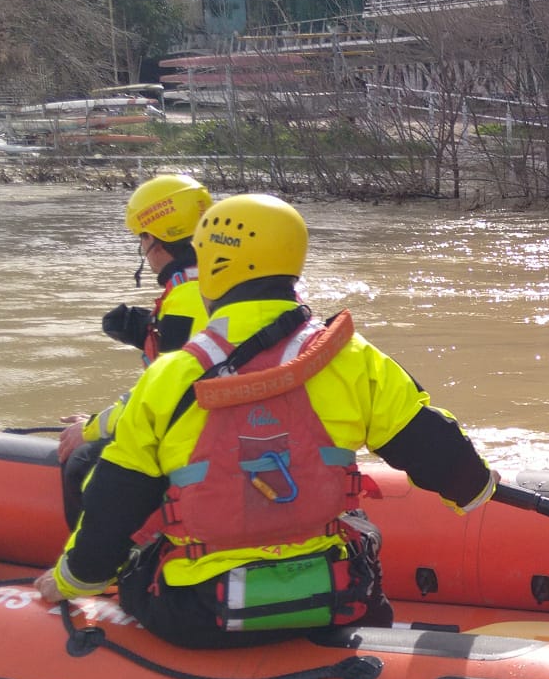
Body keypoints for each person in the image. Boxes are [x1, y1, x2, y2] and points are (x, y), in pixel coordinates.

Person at [36, 194, 497, 647]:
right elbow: (441, 453)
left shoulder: (170, 376)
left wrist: (71, 580)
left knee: (141, 544)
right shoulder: (353, 358)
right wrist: (477, 488)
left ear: (212, 264)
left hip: (197, 613)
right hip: (334, 597)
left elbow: (113, 503)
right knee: (362, 529)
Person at [57, 174, 213, 528]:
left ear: (153, 239)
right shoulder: (212, 281)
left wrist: (94, 427)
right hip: (220, 422)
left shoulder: (184, 298)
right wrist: (146, 329)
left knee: (82, 462)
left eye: (141, 240)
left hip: (198, 437)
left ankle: (97, 571)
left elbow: (163, 398)